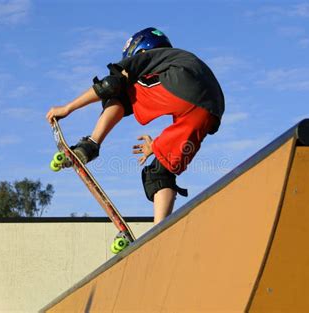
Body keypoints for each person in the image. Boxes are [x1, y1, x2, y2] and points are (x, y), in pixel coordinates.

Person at [46, 27, 225, 224]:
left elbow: (109, 84)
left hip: (182, 87)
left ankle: (91, 144)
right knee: (159, 173)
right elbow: (190, 104)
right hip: (210, 110)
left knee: (119, 89)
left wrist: (67, 108)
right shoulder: (176, 59)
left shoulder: (148, 57)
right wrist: (156, 146)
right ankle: (160, 233)